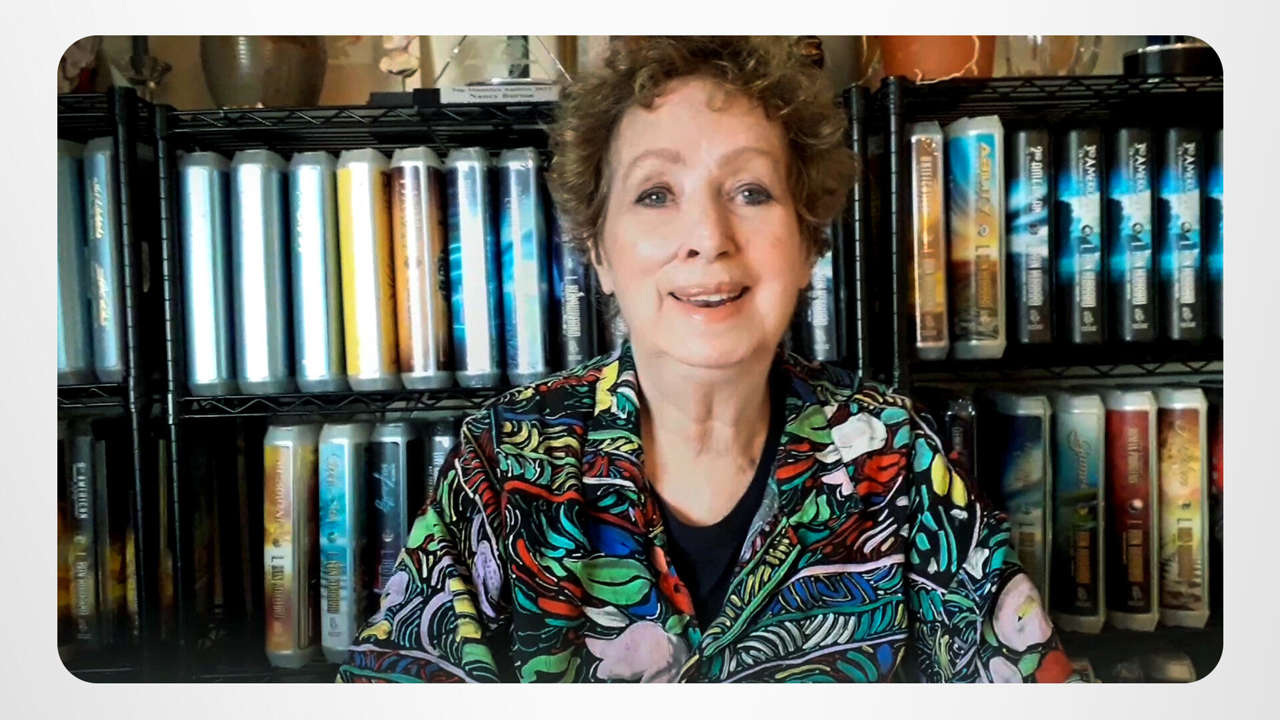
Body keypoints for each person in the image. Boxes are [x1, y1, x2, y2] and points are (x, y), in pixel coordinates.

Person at [338, 36, 1076, 683]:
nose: (708, 237)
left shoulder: (895, 455)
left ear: (808, 243)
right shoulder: (502, 462)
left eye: (751, 191)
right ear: (599, 252)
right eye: (656, 194)